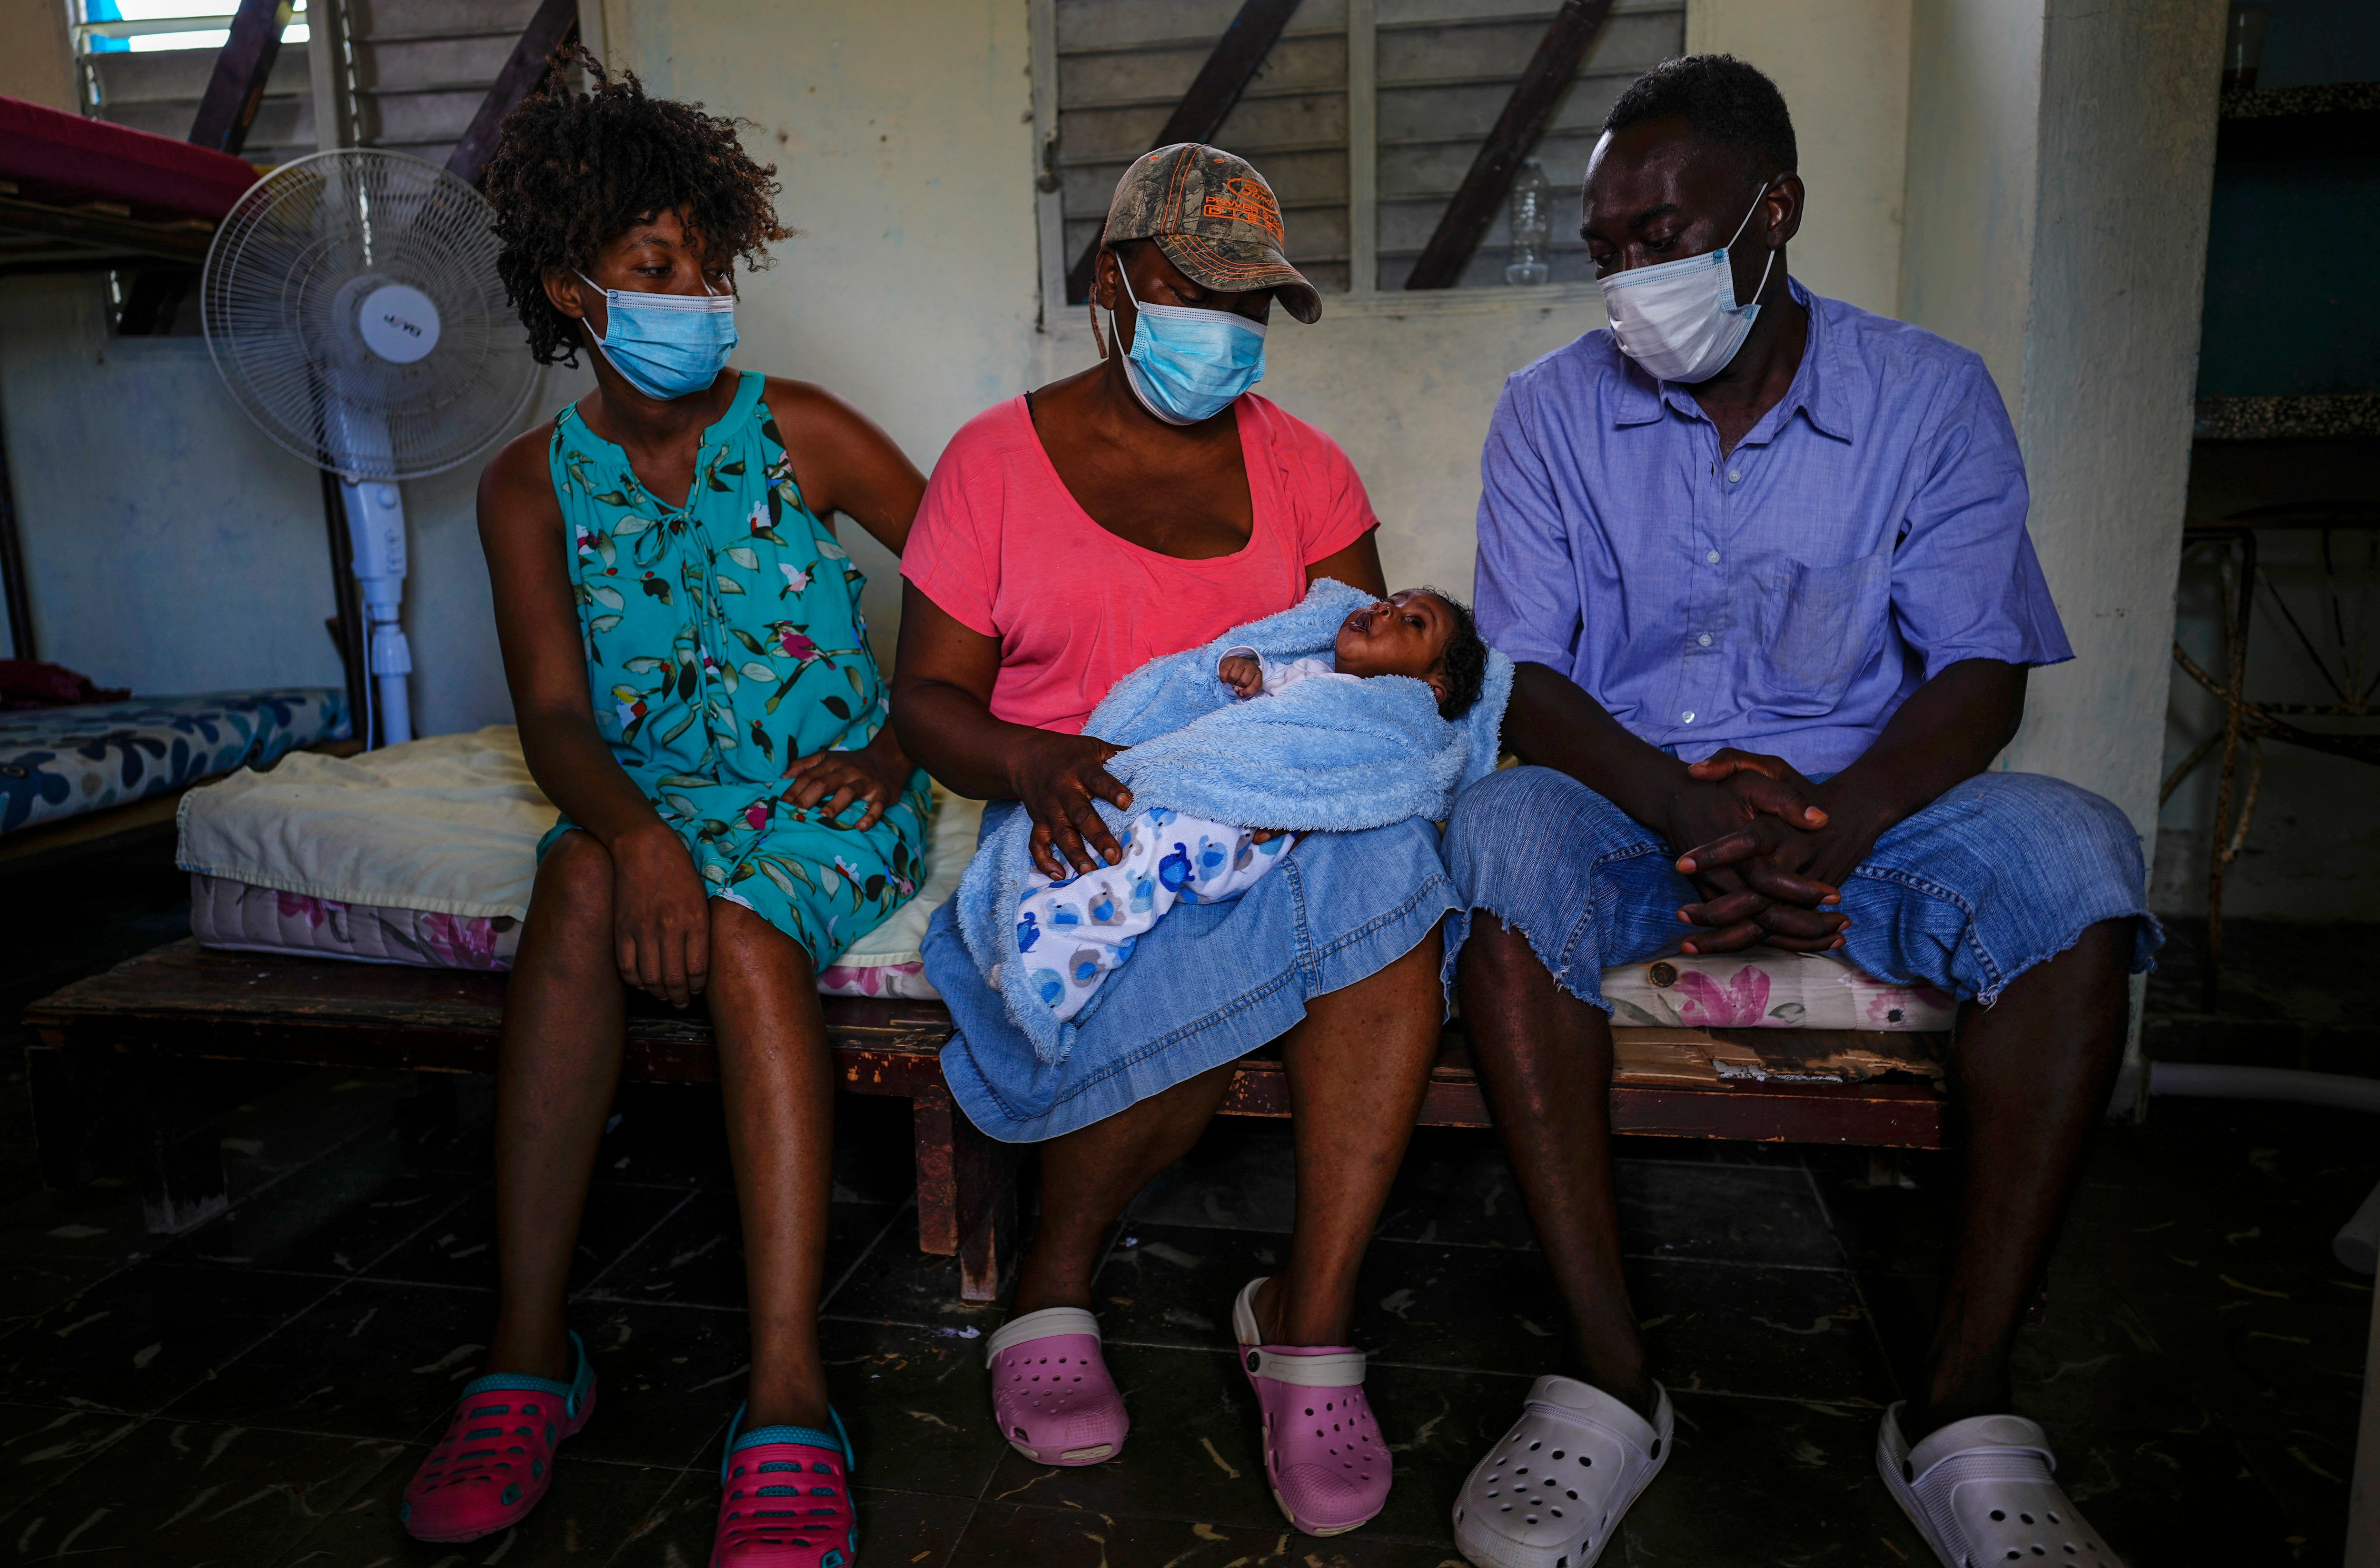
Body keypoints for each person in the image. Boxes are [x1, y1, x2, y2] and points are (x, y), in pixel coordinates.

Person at [1440, 56, 2157, 1568]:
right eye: (1605, 250)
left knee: (2073, 864)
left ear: (1774, 217)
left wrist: (1828, 823)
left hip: (1874, 793)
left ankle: (1960, 1404)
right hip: (1621, 794)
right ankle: (1604, 1378)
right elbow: (1522, 684)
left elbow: (1977, 669)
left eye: (1663, 235)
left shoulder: (1927, 396)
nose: (1630, 277)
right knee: (1496, 850)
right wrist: (1682, 814)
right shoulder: (1548, 413)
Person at [400, 61, 928, 1568]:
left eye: (706, 268)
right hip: (654, 801)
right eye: (657, 270)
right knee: (575, 878)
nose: (699, 298)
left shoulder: (806, 432)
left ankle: (785, 1400)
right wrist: (634, 836)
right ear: (576, 290)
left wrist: (894, 753)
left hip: (828, 801)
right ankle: (524, 1359)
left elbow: (982, 610)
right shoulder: (527, 488)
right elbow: (556, 720)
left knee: (751, 931)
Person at [893, 145, 1442, 1538]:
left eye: (1250, 308)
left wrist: (1286, 779)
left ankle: (1309, 1332)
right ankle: (1054, 1277)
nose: (1226, 334)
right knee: (1169, 925)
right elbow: (927, 699)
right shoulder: (993, 467)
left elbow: (1363, 686)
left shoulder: (1308, 472)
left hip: (1269, 801)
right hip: (1086, 799)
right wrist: (1031, 756)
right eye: (1196, 293)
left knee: (1391, 878)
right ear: (1112, 287)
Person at [1017, 587, 1491, 1021]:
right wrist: (1242, 662)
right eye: (1388, 600)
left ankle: (1052, 979)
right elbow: (1247, 682)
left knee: (1144, 862)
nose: (1384, 609)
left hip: (1243, 829)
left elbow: (1393, 786)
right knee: (1107, 838)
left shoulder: (1403, 729)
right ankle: (1031, 924)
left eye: (1413, 622)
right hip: (1214, 787)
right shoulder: (1310, 673)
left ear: (1430, 689)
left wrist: (1308, 809)